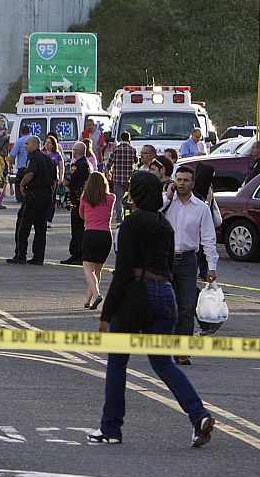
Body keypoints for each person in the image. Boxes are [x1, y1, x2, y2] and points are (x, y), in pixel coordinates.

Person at [92, 170, 217, 448]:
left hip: (137, 293)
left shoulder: (131, 224)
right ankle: (199, 414)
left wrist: (107, 312)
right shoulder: (164, 224)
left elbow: (123, 272)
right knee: (162, 362)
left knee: (117, 362)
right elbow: (170, 266)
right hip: (165, 293)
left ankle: (110, 427)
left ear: (134, 195)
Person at [164, 163, 219, 364]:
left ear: (192, 183)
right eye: (178, 180)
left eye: (186, 180)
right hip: (166, 260)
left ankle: (182, 351)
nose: (181, 183)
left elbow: (208, 239)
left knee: (186, 306)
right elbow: (154, 211)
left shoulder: (201, 208)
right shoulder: (167, 202)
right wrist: (168, 196)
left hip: (188, 260)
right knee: (166, 305)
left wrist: (211, 266)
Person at [8, 135, 55, 265]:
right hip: (46, 196)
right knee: (41, 228)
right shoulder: (47, 158)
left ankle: (20, 255)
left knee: (23, 225)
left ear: (35, 145)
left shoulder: (34, 157)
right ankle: (39, 256)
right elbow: (54, 179)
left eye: (27, 144)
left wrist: (22, 185)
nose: (25, 146)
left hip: (34, 196)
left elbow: (30, 173)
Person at [78, 172, 114, 310]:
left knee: (88, 269)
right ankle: (89, 300)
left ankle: (97, 294)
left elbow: (81, 214)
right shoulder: (111, 198)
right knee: (97, 270)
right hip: (105, 235)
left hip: (90, 233)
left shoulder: (85, 198)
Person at [59, 141, 92, 266]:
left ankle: (78, 253)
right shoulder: (87, 163)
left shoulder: (77, 165)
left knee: (77, 227)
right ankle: (78, 254)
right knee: (81, 227)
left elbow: (67, 182)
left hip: (77, 199)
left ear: (75, 152)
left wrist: (63, 180)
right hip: (83, 198)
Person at [105, 129, 137, 226]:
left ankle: (119, 218)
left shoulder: (116, 149)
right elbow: (136, 161)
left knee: (118, 199)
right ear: (129, 139)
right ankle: (130, 216)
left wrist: (107, 171)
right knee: (129, 198)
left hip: (117, 177)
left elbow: (109, 163)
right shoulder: (133, 149)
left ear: (121, 139)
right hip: (129, 178)